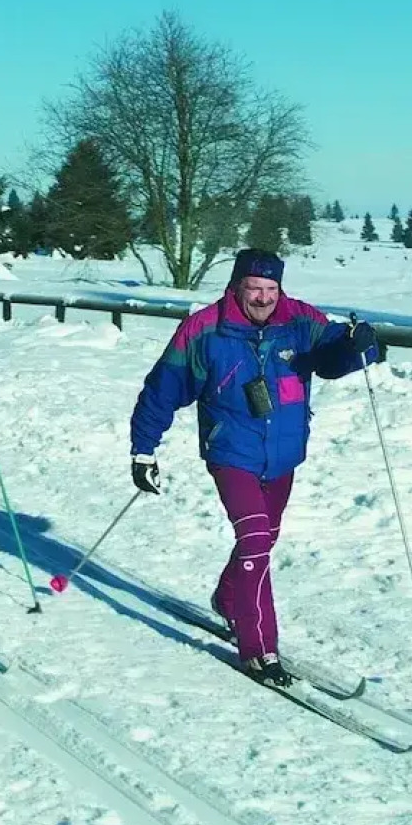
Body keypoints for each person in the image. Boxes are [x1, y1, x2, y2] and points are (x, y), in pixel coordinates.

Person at [129, 248, 382, 687]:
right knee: (255, 540)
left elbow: (333, 357)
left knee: (264, 539)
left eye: (270, 289)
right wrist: (144, 449)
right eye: (254, 288)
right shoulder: (204, 330)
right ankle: (259, 648)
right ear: (236, 286)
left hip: (283, 456)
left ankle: (229, 598)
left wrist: (361, 344)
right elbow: (162, 388)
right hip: (232, 452)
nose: (263, 297)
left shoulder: (300, 320)